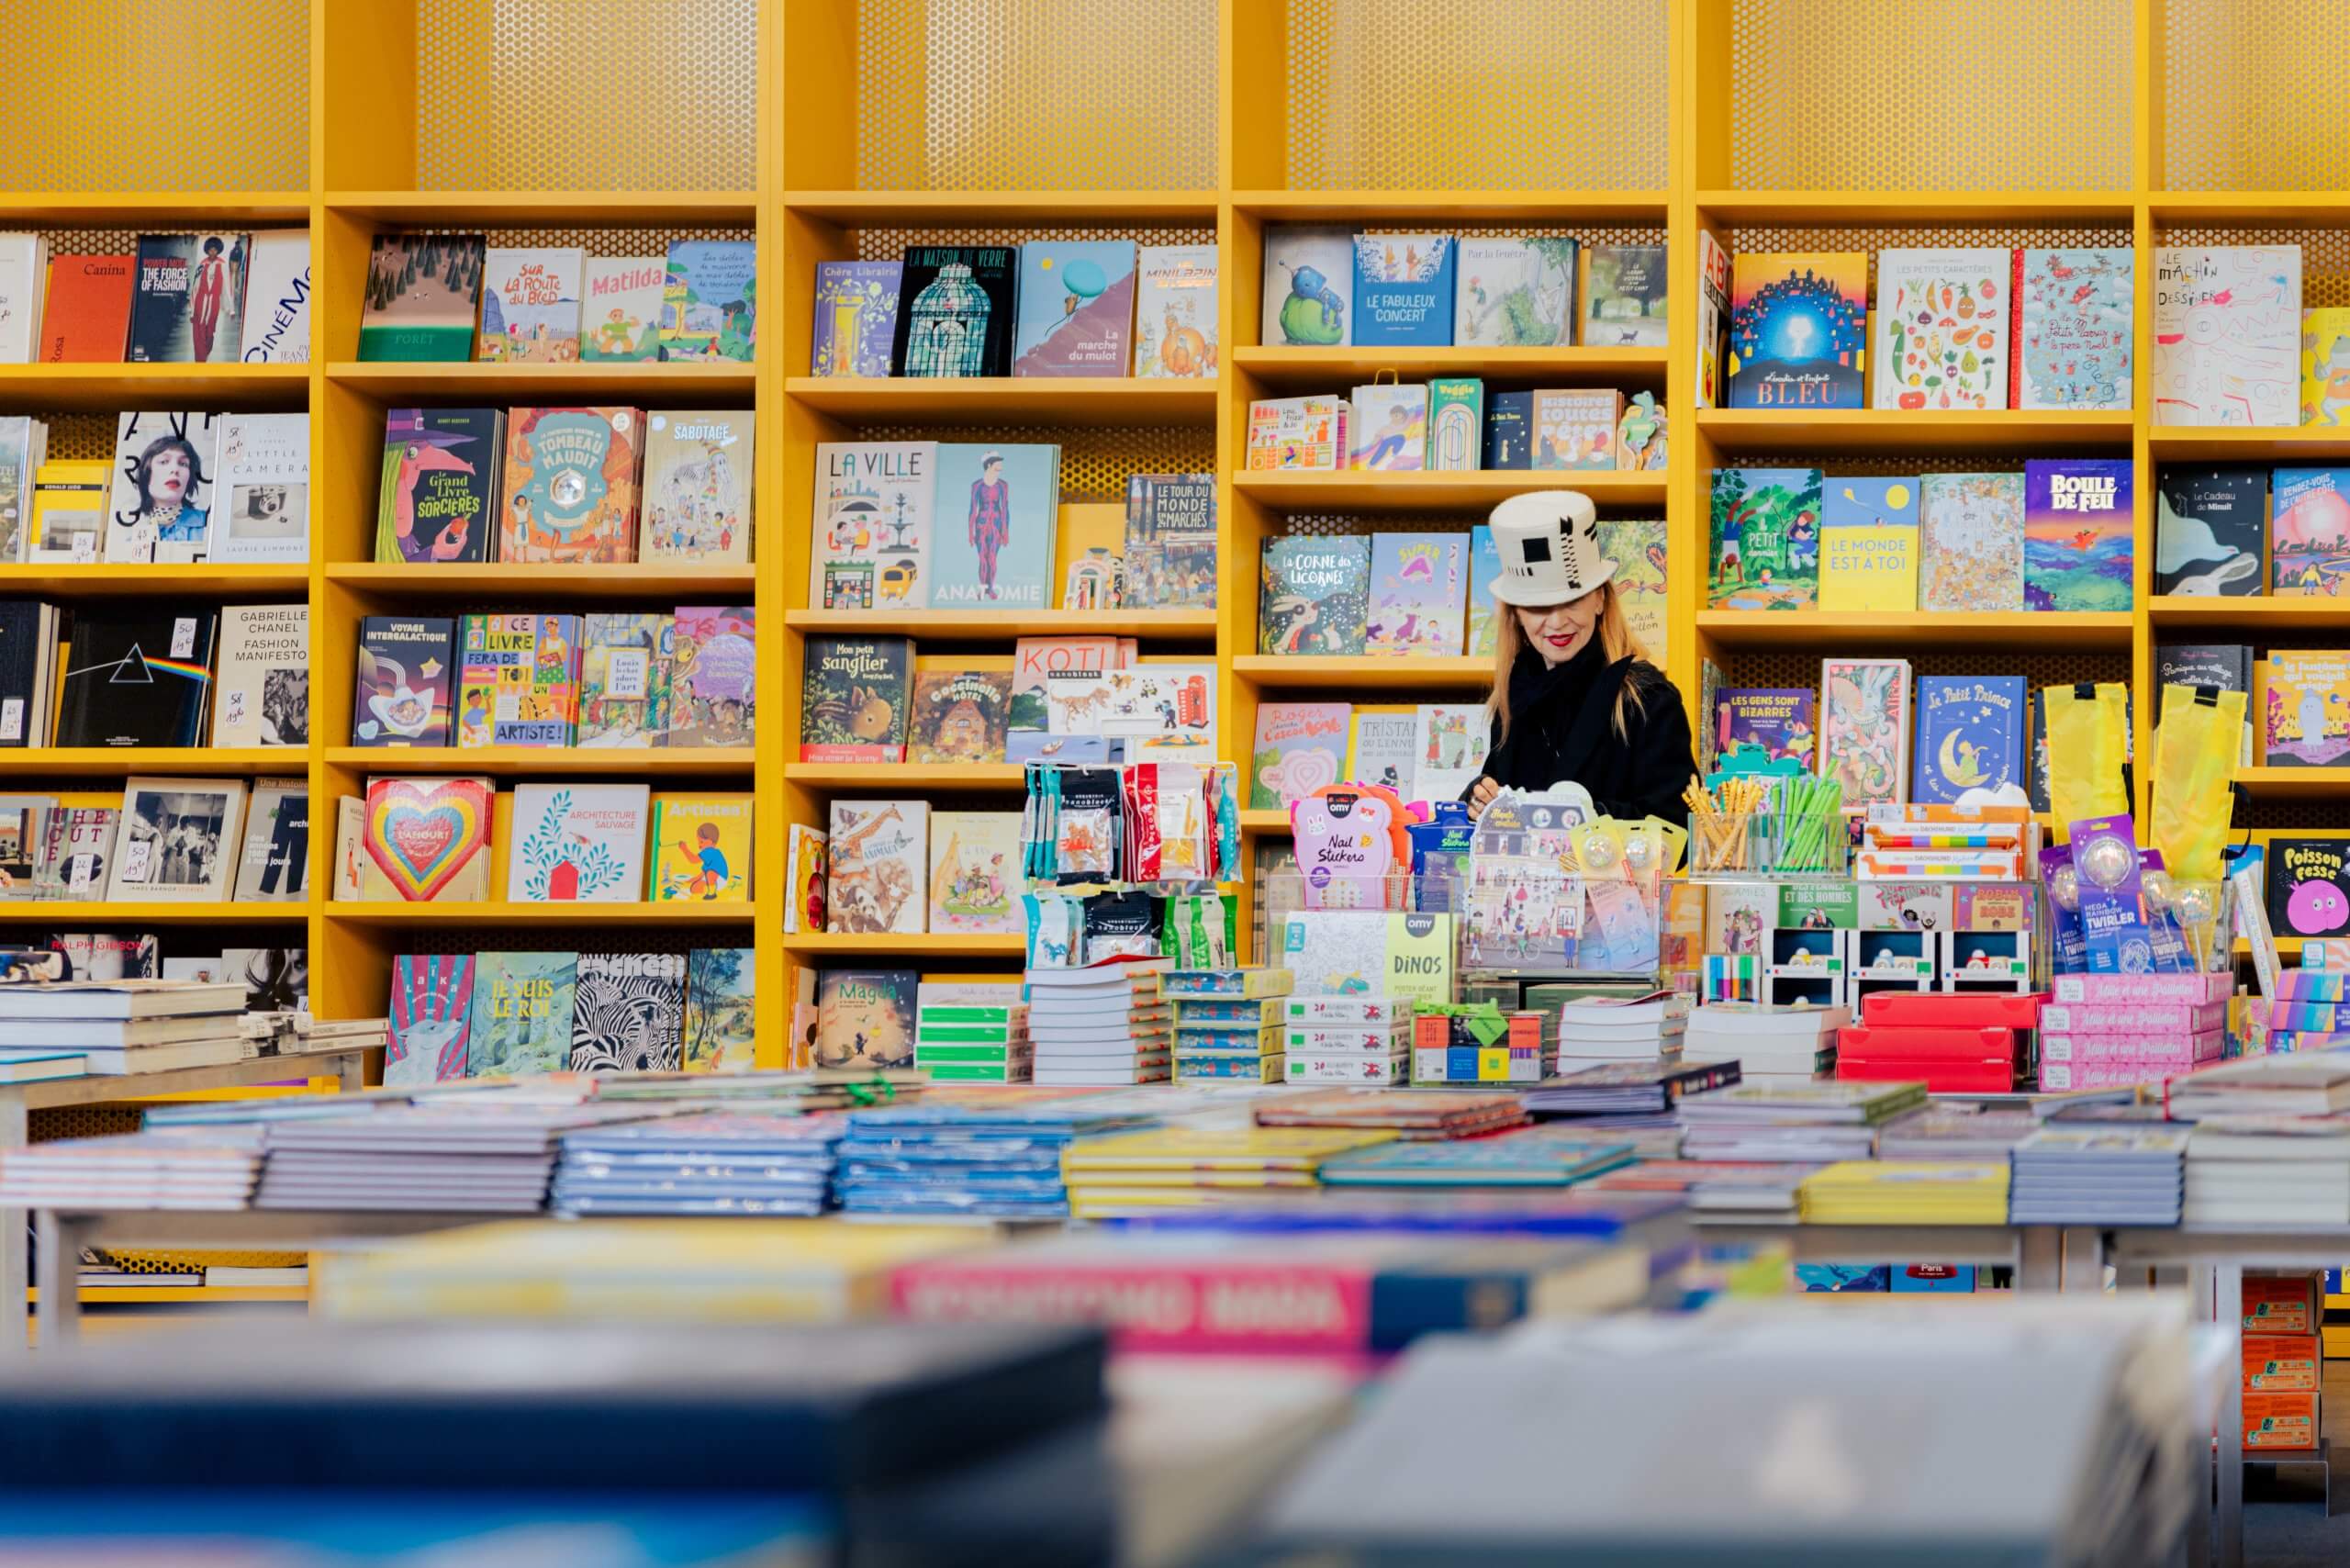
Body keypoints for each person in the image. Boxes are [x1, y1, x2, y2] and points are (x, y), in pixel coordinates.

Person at [1463, 490, 1698, 823]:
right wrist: (1478, 800)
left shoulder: (1646, 697)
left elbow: (1678, 825)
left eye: (1573, 601)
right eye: (1539, 607)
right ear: (1516, 615)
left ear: (1600, 599)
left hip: (1613, 876)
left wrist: (1584, 817)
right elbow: (1496, 800)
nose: (1558, 622)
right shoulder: (1516, 693)